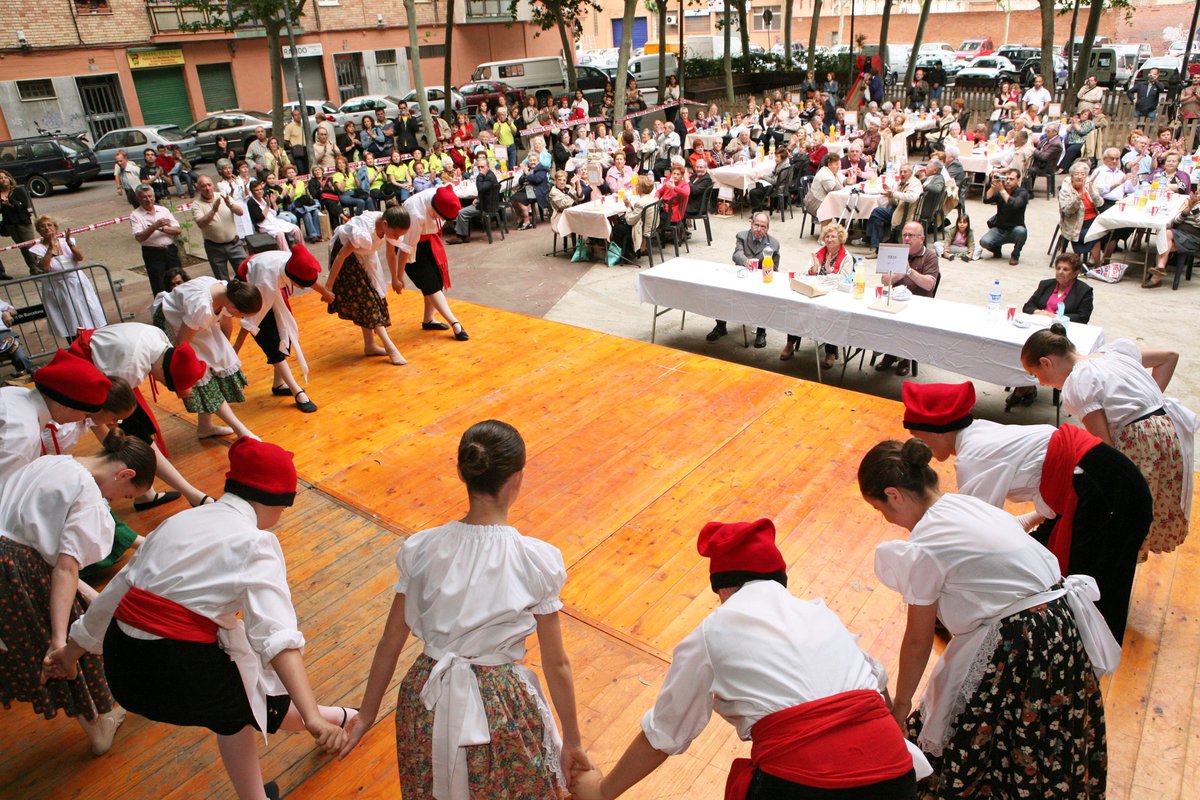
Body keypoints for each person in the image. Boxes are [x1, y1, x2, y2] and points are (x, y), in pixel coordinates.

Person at [47, 437, 353, 800]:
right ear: (274, 503)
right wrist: (312, 717)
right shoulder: (256, 543)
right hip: (178, 671)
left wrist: (69, 653)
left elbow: (117, 592)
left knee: (234, 713)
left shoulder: (180, 521)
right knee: (264, 703)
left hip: (123, 666)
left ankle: (263, 787)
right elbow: (277, 638)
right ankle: (344, 717)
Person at [571, 517, 925, 800]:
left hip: (806, 784)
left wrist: (602, 792)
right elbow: (877, 684)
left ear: (723, 587)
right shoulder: (820, 613)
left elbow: (664, 734)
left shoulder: (712, 631)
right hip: (895, 774)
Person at [337, 420, 590, 797]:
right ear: (518, 479)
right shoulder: (535, 560)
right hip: (499, 706)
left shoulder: (423, 548)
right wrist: (571, 741)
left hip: (426, 696)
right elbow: (556, 663)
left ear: (461, 472)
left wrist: (366, 715)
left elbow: (391, 639)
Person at [858, 438, 1114, 799]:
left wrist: (899, 710)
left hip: (1022, 642)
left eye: (879, 508)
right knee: (1046, 734)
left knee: (975, 731)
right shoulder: (963, 506)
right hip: (1060, 627)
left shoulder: (925, 546)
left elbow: (917, 640)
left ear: (894, 495)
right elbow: (1007, 534)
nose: (886, 519)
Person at [900, 380, 1151, 643]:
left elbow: (972, 536)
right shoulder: (980, 432)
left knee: (1092, 581)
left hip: (1105, 491)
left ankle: (1082, 653)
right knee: (1049, 562)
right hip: (1104, 480)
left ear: (938, 431)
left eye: (919, 436)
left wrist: (932, 592)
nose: (920, 446)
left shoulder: (974, 457)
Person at [0, 428, 154, 756]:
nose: (114, 502)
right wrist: (60, 642)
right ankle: (98, 726)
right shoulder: (88, 496)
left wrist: (87, 593)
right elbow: (65, 568)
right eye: (123, 495)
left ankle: (98, 721)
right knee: (67, 647)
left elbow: (44, 545)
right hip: (17, 572)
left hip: (12, 557)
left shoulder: (52, 462)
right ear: (125, 473)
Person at [1022, 327, 1194, 560]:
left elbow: (1104, 448)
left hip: (1140, 443)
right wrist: (1148, 403)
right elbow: (1170, 357)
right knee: (1146, 506)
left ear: (1046, 363)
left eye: (1035, 374)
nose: (1041, 383)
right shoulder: (1113, 354)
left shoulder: (1078, 382)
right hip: (1167, 432)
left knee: (1124, 514)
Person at [67, 322, 211, 509]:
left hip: (105, 366)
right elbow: (110, 420)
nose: (159, 382)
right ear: (164, 372)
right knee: (136, 441)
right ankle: (189, 494)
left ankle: (152, 494)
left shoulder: (158, 338)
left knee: (140, 436)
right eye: (165, 382)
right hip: (87, 374)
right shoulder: (130, 367)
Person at [154, 275, 261, 441]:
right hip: (174, 325)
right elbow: (182, 345)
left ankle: (205, 427)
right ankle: (241, 430)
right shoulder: (202, 308)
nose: (241, 319)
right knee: (203, 377)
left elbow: (226, 325)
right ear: (235, 308)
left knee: (217, 363)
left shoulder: (226, 292)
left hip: (191, 325)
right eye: (242, 316)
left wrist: (224, 353)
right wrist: (184, 377)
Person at [231, 246, 322, 414]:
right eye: (301, 285)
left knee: (284, 333)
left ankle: (278, 384)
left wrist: (325, 292)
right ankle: (297, 391)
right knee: (271, 343)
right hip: (250, 291)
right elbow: (251, 319)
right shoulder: (266, 283)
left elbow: (308, 276)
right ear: (292, 279)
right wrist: (236, 347)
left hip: (269, 288)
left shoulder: (293, 263)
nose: (302, 288)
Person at [324, 203, 413, 365]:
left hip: (365, 254)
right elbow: (341, 256)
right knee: (367, 301)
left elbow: (391, 254)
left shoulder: (388, 223)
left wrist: (395, 278)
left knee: (376, 296)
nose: (396, 237)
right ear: (385, 225)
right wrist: (329, 286)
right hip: (348, 260)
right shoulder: (364, 231)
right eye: (395, 234)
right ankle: (390, 348)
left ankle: (370, 345)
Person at [395, 185, 470, 340]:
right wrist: (399, 275)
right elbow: (405, 248)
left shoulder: (442, 195)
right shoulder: (416, 214)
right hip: (411, 246)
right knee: (430, 284)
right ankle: (455, 323)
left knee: (437, 280)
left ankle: (428, 319)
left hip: (428, 241)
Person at [874, 222, 940, 377]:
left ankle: (906, 358)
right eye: (904, 235)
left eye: (911, 235)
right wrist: (897, 274)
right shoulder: (896, 251)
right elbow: (884, 280)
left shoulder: (930, 256)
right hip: (896, 300)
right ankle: (889, 353)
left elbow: (929, 284)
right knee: (878, 317)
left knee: (908, 322)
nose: (906, 238)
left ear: (921, 238)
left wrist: (909, 271)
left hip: (919, 303)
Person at [707, 213, 781, 348]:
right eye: (756, 225)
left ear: (767, 229)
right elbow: (737, 254)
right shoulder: (742, 236)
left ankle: (761, 331)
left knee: (765, 298)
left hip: (761, 277)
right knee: (722, 291)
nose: (759, 229)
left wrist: (766, 274)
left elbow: (775, 268)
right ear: (751, 224)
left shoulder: (774, 244)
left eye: (763, 227)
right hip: (742, 274)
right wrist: (745, 261)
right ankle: (720, 326)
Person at [29, 215, 106, 341]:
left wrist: (70, 245)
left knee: (89, 312)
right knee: (68, 318)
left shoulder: (67, 242)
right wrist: (50, 249)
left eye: (49, 225)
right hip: (57, 287)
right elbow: (44, 267)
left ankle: (96, 341)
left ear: (55, 227)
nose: (47, 228)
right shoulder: (36, 249)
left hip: (77, 282)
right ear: (39, 230)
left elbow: (80, 257)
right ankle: (76, 346)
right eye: (42, 226)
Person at [781, 222, 849, 366]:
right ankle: (790, 343)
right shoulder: (819, 252)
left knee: (831, 314)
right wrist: (814, 268)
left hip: (833, 293)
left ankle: (830, 352)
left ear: (841, 239)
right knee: (796, 306)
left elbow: (846, 280)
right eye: (827, 236)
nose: (829, 240)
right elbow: (806, 274)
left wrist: (831, 273)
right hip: (815, 289)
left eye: (833, 237)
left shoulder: (847, 257)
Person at [192, 176, 248, 281]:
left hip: (234, 243)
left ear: (213, 185)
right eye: (203, 186)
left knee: (245, 273)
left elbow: (240, 212)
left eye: (209, 185)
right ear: (198, 188)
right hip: (214, 247)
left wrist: (230, 205)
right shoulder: (196, 204)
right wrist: (214, 210)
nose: (207, 188)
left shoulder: (223, 196)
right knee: (222, 280)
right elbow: (201, 224)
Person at [130, 185, 181, 297]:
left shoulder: (163, 210)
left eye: (150, 196)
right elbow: (140, 237)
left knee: (178, 280)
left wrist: (162, 228)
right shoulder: (135, 216)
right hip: (153, 254)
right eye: (144, 197)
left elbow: (177, 230)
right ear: (138, 199)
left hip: (171, 251)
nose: (148, 200)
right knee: (159, 285)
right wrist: (154, 226)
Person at [865, 163, 922, 252]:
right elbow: (895, 203)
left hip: (906, 214)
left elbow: (912, 198)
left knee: (877, 211)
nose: (902, 174)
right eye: (901, 172)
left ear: (911, 173)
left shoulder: (915, 183)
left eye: (905, 172)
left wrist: (893, 194)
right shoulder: (901, 183)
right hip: (898, 209)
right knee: (877, 219)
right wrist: (890, 196)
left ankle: (868, 238)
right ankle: (875, 246)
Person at [980, 168, 1028, 265]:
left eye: (1011, 179)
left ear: (1018, 180)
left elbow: (1014, 204)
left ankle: (1015, 255)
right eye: (1006, 179)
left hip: (1015, 228)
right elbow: (986, 200)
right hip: (1000, 228)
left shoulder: (1022, 192)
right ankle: (997, 249)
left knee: (1022, 232)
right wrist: (993, 187)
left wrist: (1001, 190)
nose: (1008, 181)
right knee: (984, 242)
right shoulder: (1001, 190)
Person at [450, 153, 499, 243]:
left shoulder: (488, 177)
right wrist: (478, 198)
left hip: (486, 207)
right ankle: (463, 235)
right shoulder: (489, 175)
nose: (480, 169)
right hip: (487, 202)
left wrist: (479, 176)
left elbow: (480, 188)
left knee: (461, 212)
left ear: (487, 166)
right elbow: (484, 191)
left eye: (482, 167)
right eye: (479, 167)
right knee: (465, 207)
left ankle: (461, 236)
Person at [247, 179, 303, 251]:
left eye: (260, 189)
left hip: (274, 221)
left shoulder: (264, 197)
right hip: (264, 225)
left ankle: (302, 250)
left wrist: (273, 203)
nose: (259, 192)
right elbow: (259, 218)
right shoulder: (251, 202)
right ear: (252, 192)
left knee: (296, 229)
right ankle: (287, 255)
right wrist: (267, 205)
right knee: (279, 234)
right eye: (256, 190)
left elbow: (276, 212)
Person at [804, 152, 843, 222]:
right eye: (836, 164)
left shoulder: (834, 171)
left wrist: (850, 177)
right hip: (814, 203)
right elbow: (835, 190)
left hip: (824, 201)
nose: (838, 167)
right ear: (829, 165)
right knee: (834, 209)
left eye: (839, 164)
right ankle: (827, 231)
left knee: (842, 206)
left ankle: (838, 229)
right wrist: (845, 186)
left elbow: (844, 181)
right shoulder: (825, 175)